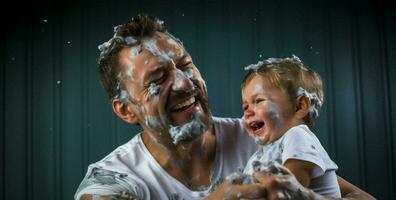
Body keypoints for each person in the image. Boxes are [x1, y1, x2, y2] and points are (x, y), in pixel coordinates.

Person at [75, 14, 375, 200]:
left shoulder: (263, 137)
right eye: (158, 78)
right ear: (126, 110)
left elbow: (355, 196)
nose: (184, 83)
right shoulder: (114, 179)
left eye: (185, 65)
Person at [240, 56, 340, 198]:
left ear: (300, 106)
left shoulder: (297, 136)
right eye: (245, 106)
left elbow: (285, 192)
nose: (247, 112)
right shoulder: (260, 154)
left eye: (258, 100)